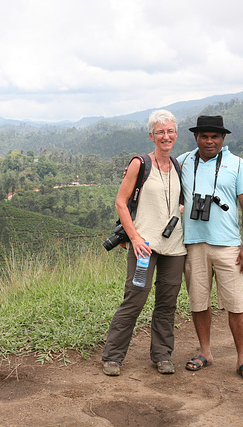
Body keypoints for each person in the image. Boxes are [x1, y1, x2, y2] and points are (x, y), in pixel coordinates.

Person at [102, 110, 187, 376]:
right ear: (151, 135)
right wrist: (136, 238)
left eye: (170, 131)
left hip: (174, 247)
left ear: (176, 134)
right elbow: (120, 202)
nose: (166, 136)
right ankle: (113, 356)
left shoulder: (177, 166)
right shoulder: (140, 164)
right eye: (160, 132)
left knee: (167, 302)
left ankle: (162, 355)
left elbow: (178, 202)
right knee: (135, 298)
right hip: (144, 247)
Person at [177, 115, 243, 383]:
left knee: (236, 304)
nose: (209, 141)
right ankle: (205, 352)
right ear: (195, 138)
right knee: (199, 301)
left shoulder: (237, 165)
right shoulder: (183, 162)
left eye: (214, 136)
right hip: (193, 243)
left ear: (223, 139)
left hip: (227, 245)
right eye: (204, 136)